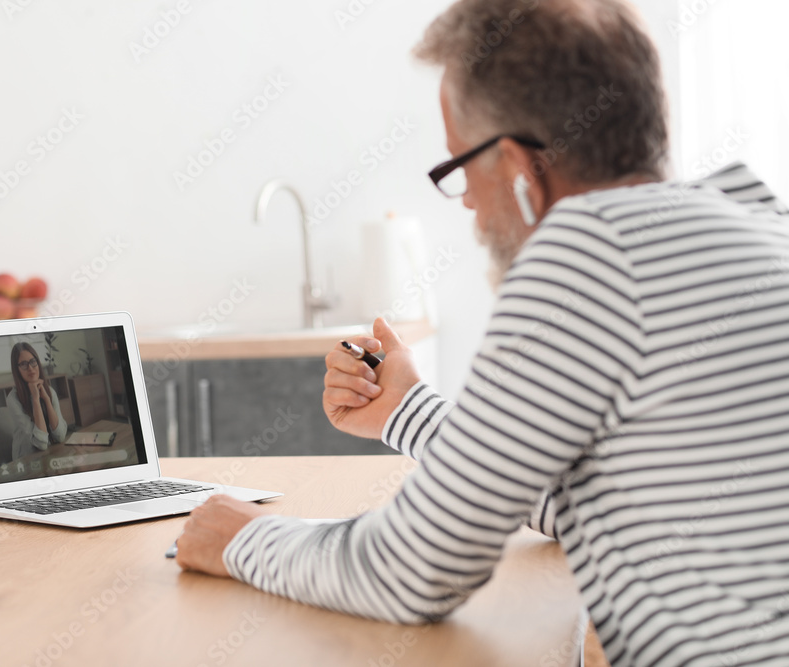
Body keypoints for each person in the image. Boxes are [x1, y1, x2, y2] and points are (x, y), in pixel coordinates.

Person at [175, 0, 789, 664]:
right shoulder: (757, 222)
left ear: (518, 167)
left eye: (458, 165)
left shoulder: (588, 252)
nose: (465, 199)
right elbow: (577, 496)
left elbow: (408, 573)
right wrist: (409, 411)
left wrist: (242, 536)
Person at [7, 341, 67, 459]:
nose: (30, 368)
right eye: (24, 364)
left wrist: (46, 400)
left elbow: (60, 436)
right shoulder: (13, 399)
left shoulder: (49, 391)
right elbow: (41, 443)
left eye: (33, 362)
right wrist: (35, 399)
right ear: (17, 369)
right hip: (27, 458)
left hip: (51, 452)